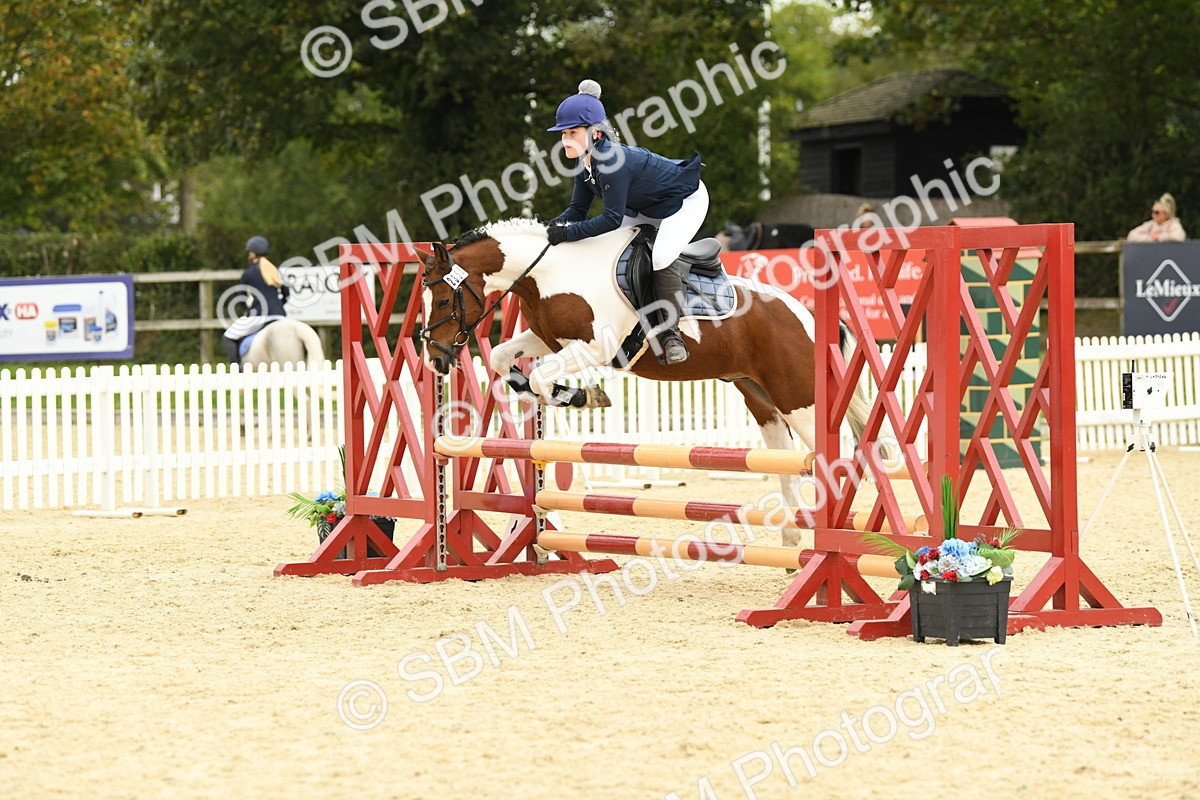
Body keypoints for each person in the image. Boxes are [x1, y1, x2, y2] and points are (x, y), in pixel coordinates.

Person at [545, 80, 706, 365]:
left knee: (661, 257)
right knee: (608, 251)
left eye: (572, 132)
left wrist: (567, 235)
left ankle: (671, 335)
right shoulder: (585, 162)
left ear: (595, 133)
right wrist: (545, 229)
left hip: (683, 202)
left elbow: (611, 219)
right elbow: (577, 211)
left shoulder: (611, 160)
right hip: (645, 206)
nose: (565, 139)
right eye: (563, 133)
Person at [222, 235, 290, 364]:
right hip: (279, 316)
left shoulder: (249, 273)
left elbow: (241, 297)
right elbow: (287, 293)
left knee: (228, 336)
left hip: (259, 316)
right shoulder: (274, 270)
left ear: (253, 254)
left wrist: (247, 310)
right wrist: (279, 305)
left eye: (249, 253)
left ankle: (237, 370)